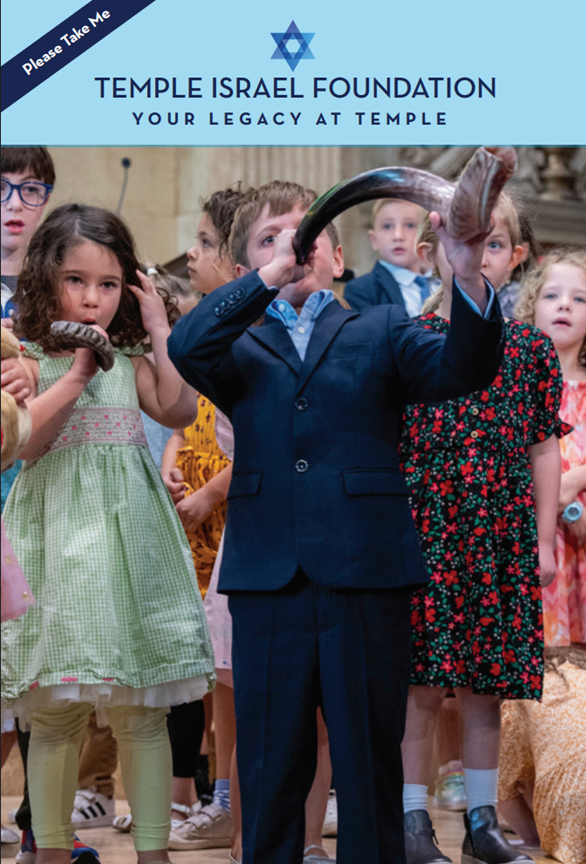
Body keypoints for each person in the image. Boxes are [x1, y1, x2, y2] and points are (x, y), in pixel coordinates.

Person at [167, 179, 505, 864]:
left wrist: (463, 272)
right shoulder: (236, 345)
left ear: (339, 256)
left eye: (308, 233)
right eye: (272, 238)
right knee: (268, 762)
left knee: (366, 757)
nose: (294, 245)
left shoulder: (379, 328)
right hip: (268, 578)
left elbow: (463, 368)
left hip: (364, 570)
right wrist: (267, 277)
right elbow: (184, 345)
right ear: (245, 272)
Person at [0, 203, 215, 864]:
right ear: (45, 281)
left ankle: (153, 852)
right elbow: (27, 446)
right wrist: (71, 375)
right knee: (56, 712)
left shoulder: (129, 355)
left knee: (140, 712)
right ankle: (54, 851)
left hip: (131, 547)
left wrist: (157, 330)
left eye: (109, 284)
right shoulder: (27, 357)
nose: (92, 299)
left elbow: (178, 406)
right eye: (76, 281)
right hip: (58, 543)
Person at [398, 196, 564, 864]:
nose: (479, 256)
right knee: (416, 685)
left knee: (484, 689)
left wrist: (544, 538)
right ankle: (411, 823)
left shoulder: (527, 349)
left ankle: (481, 822)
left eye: (494, 245)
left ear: (517, 256)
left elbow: (544, 447)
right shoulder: (408, 338)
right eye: (466, 243)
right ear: (433, 249)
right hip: (422, 529)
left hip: (496, 533)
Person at [343, 198, 431, 315]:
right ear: (374, 239)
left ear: (425, 235)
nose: (398, 236)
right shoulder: (362, 289)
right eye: (387, 226)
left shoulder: (444, 282)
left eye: (410, 225)